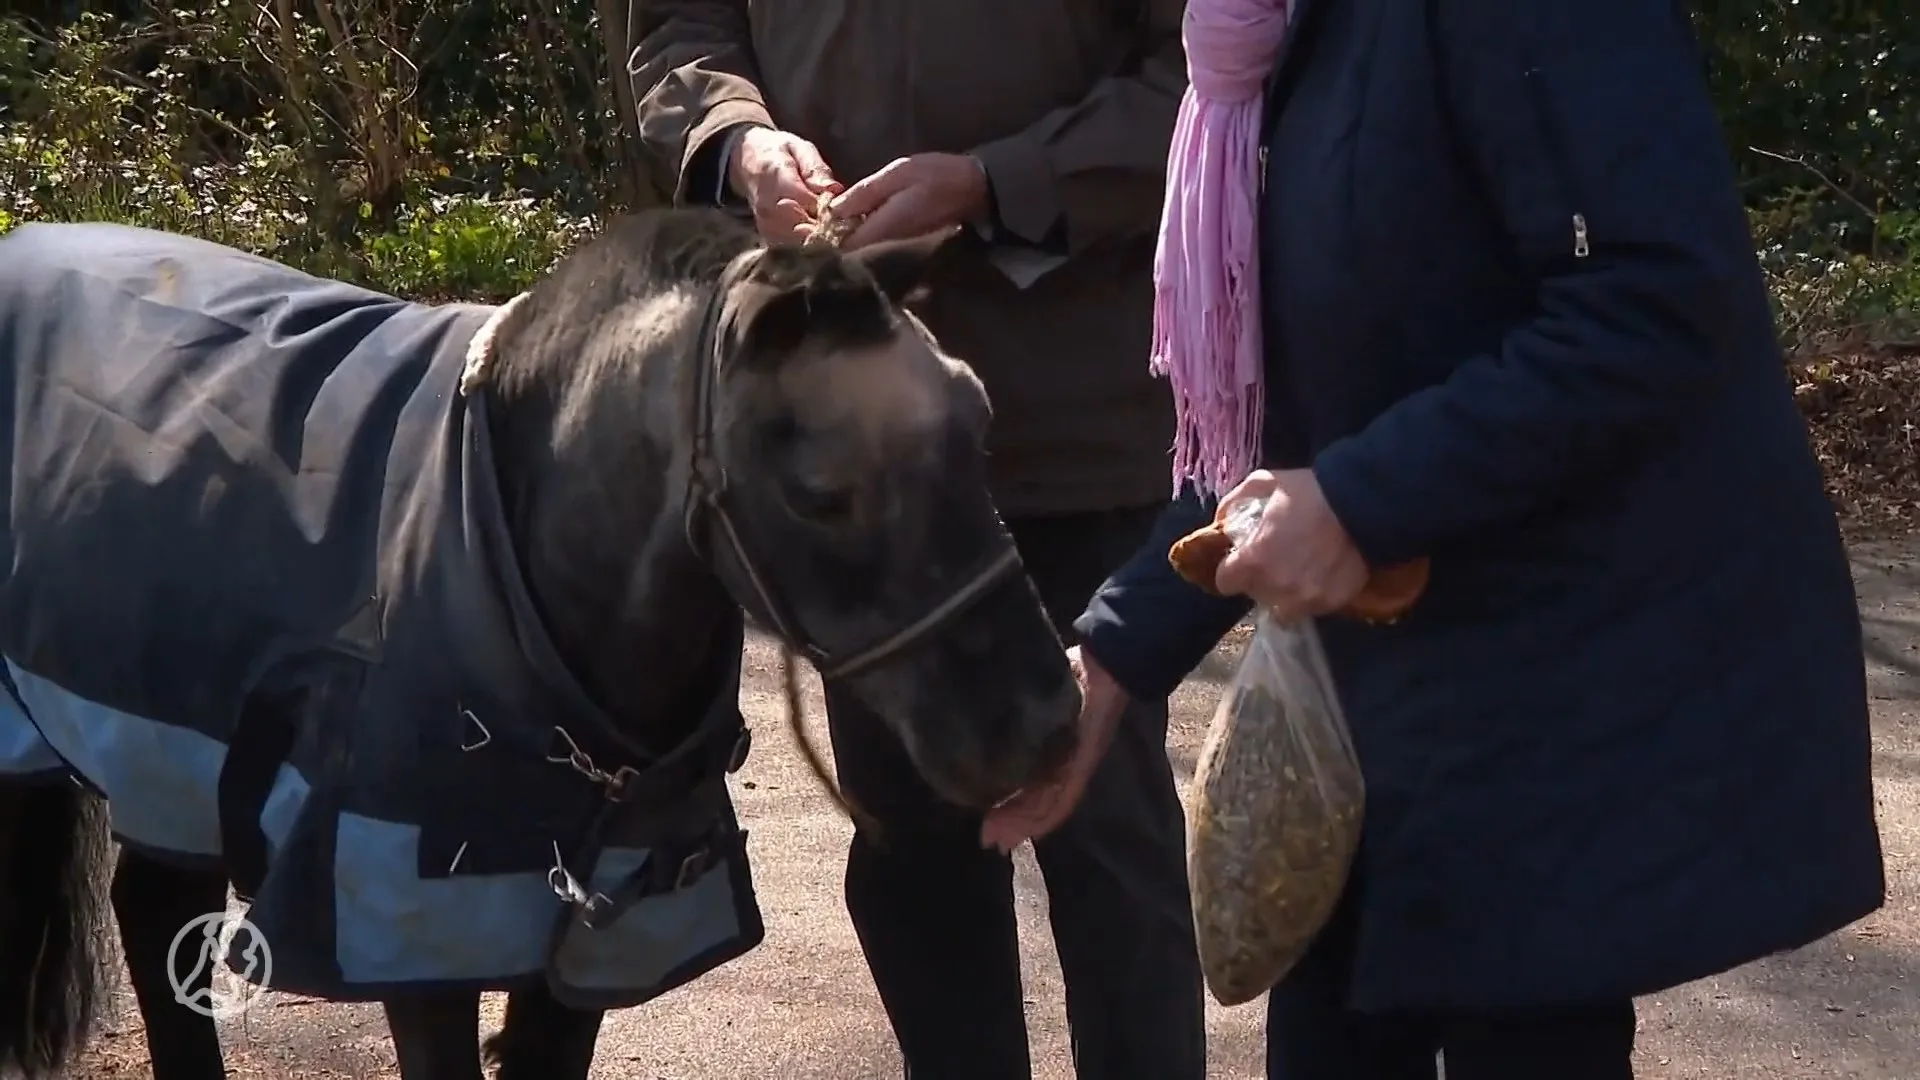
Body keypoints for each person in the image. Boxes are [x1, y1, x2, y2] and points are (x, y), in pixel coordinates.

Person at [984, 0, 1889, 1078]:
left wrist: (1365, 502)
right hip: (1383, 721)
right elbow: (1291, 404)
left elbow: (1650, 300)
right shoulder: (1262, 30)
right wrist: (1111, 659)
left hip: (1558, 711)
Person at [628, 5, 1208, 1079]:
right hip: (858, 437)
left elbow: (1197, 78)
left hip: (1070, 423)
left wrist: (998, 180)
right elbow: (681, 32)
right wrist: (739, 140)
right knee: (914, 848)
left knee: (1106, 836)